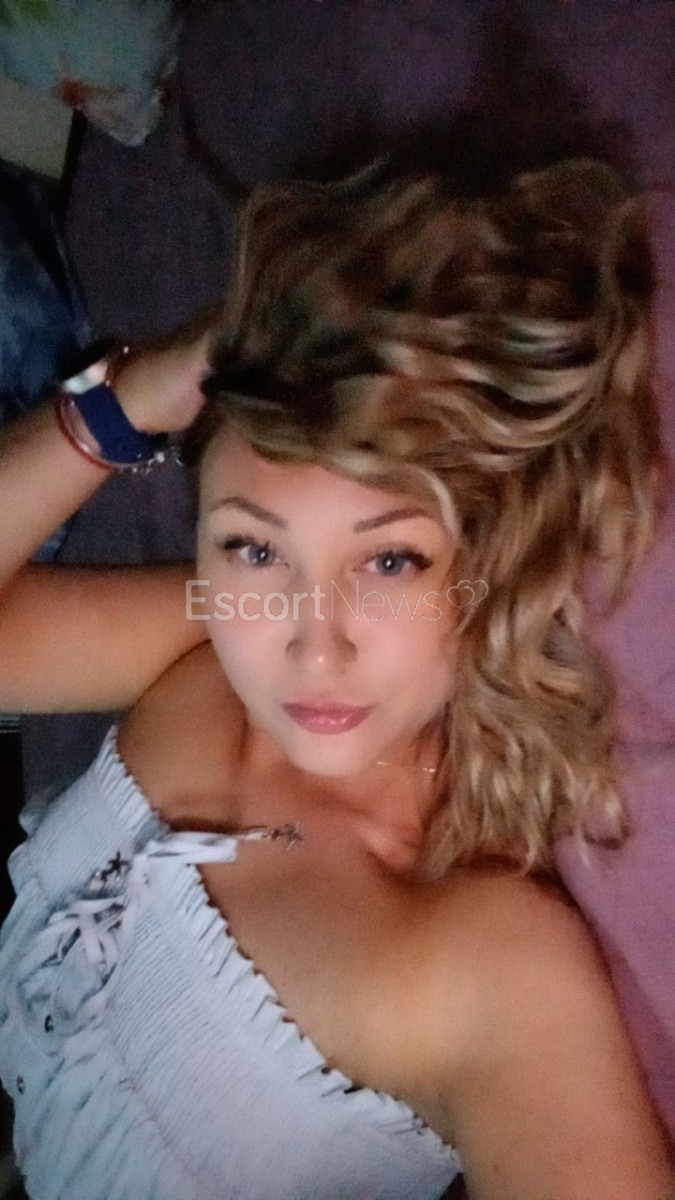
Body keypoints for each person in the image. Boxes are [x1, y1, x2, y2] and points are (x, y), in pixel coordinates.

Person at [0, 157, 672, 1200]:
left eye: (391, 560)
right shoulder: (209, 634)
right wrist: (130, 397)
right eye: (254, 547)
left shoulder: (483, 966)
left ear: (489, 560)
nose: (314, 648)